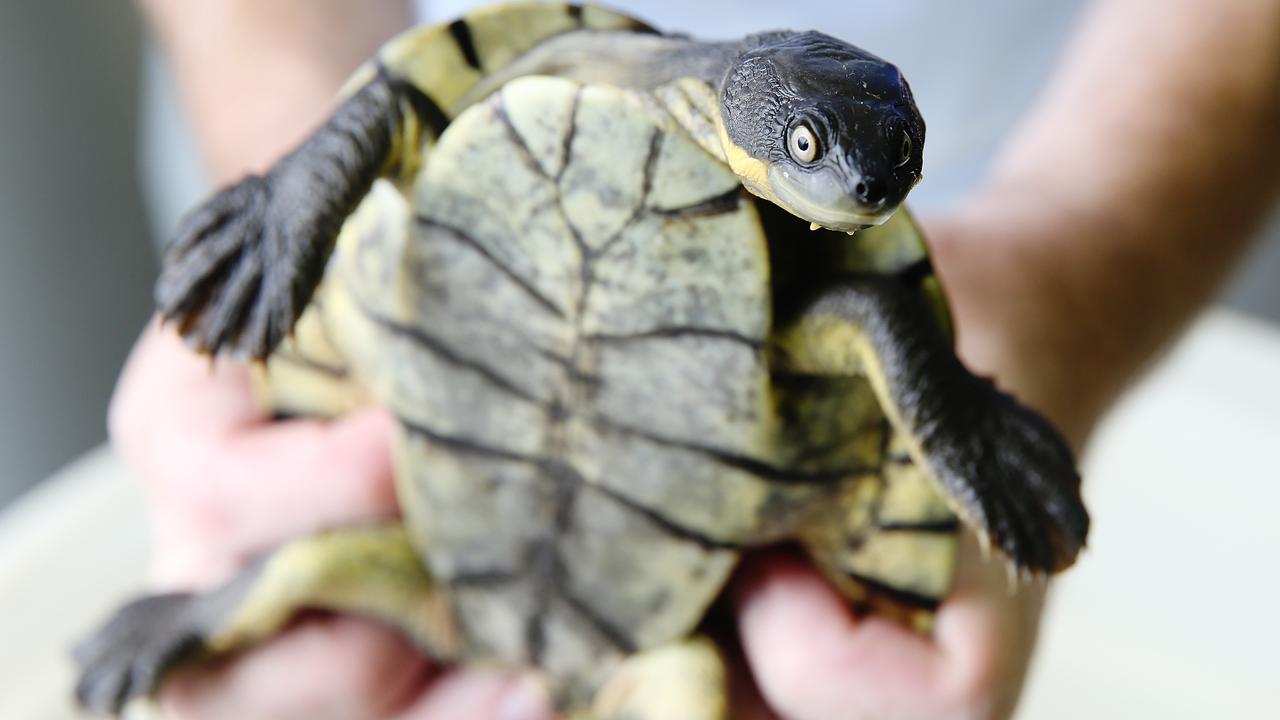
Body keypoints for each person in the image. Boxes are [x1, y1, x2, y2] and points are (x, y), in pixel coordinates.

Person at [118, 0, 1280, 717]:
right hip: (418, 367)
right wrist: (283, 198)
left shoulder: (839, 244)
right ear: (751, 116)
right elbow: (385, 116)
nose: (865, 192)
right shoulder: (554, 78)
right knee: (298, 564)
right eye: (815, 152)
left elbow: (878, 309)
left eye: (885, 168)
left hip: (1075, 154)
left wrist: (1051, 294)